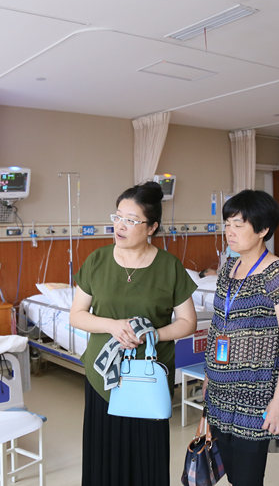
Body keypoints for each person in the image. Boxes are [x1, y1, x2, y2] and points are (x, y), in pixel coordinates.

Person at [69, 181, 197, 486]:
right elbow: (77, 315)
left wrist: (152, 334)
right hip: (103, 378)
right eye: (117, 217)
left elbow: (187, 322)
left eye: (131, 220)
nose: (120, 225)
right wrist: (112, 326)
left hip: (149, 379)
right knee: (104, 458)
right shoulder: (97, 261)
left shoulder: (169, 267)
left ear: (151, 227)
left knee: (146, 458)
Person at [203, 189, 279, 486]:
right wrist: (208, 375)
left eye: (238, 225)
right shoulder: (229, 268)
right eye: (227, 224)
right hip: (220, 392)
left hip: (254, 395)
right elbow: (217, 325)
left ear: (262, 230)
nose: (229, 232)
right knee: (230, 473)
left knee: (247, 478)